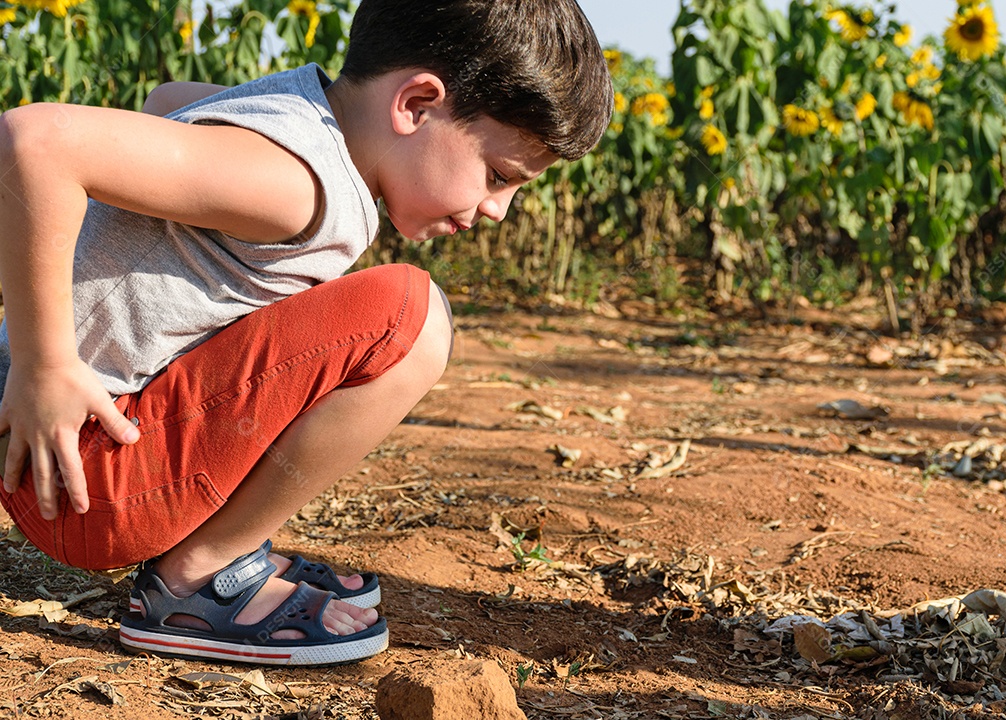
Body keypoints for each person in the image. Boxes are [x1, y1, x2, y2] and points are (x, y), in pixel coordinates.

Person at [0, 0, 612, 665]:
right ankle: (200, 577)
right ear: (415, 104)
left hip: (69, 451)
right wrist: (46, 368)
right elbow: (34, 143)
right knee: (412, 317)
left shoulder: (300, 113)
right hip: (82, 472)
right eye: (498, 176)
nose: (498, 209)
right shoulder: (295, 181)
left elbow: (166, 100)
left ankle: (216, 541)